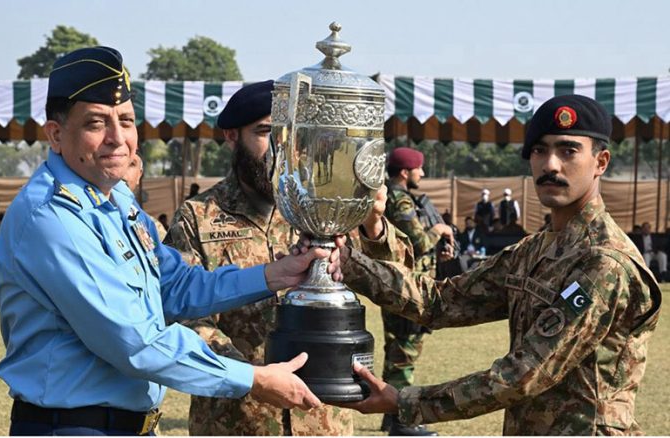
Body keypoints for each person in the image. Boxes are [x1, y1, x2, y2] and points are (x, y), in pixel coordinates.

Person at [0, 46, 342, 436]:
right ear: (56, 135)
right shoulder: (53, 218)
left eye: (125, 120)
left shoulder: (114, 198)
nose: (117, 138)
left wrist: (275, 275)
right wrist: (253, 379)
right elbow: (135, 343)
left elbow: (175, 286)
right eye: (96, 123)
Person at [335, 95, 662, 435]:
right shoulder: (535, 250)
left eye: (568, 151)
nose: (550, 165)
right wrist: (350, 262)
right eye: (539, 151)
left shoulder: (604, 263)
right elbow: (441, 302)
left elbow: (524, 374)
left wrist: (405, 401)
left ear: (601, 162)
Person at [166, 80, 375, 435]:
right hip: (237, 419)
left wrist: (374, 226)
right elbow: (182, 316)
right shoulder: (198, 217)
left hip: (322, 419)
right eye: (265, 132)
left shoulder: (323, 209)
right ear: (232, 136)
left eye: (288, 134)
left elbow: (395, 272)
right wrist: (253, 377)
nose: (280, 147)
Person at [381, 147, 454, 436]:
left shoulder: (395, 198)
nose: (422, 174)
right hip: (407, 288)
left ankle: (390, 413)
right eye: (418, 169)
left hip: (400, 284)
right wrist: (440, 230)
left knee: (397, 349)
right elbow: (420, 242)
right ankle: (401, 419)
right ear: (404, 172)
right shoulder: (400, 202)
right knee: (405, 351)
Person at [123, 154, 166, 241]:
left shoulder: (151, 226)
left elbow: (161, 252)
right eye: (119, 163)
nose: (122, 171)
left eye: (131, 164)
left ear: (139, 175)